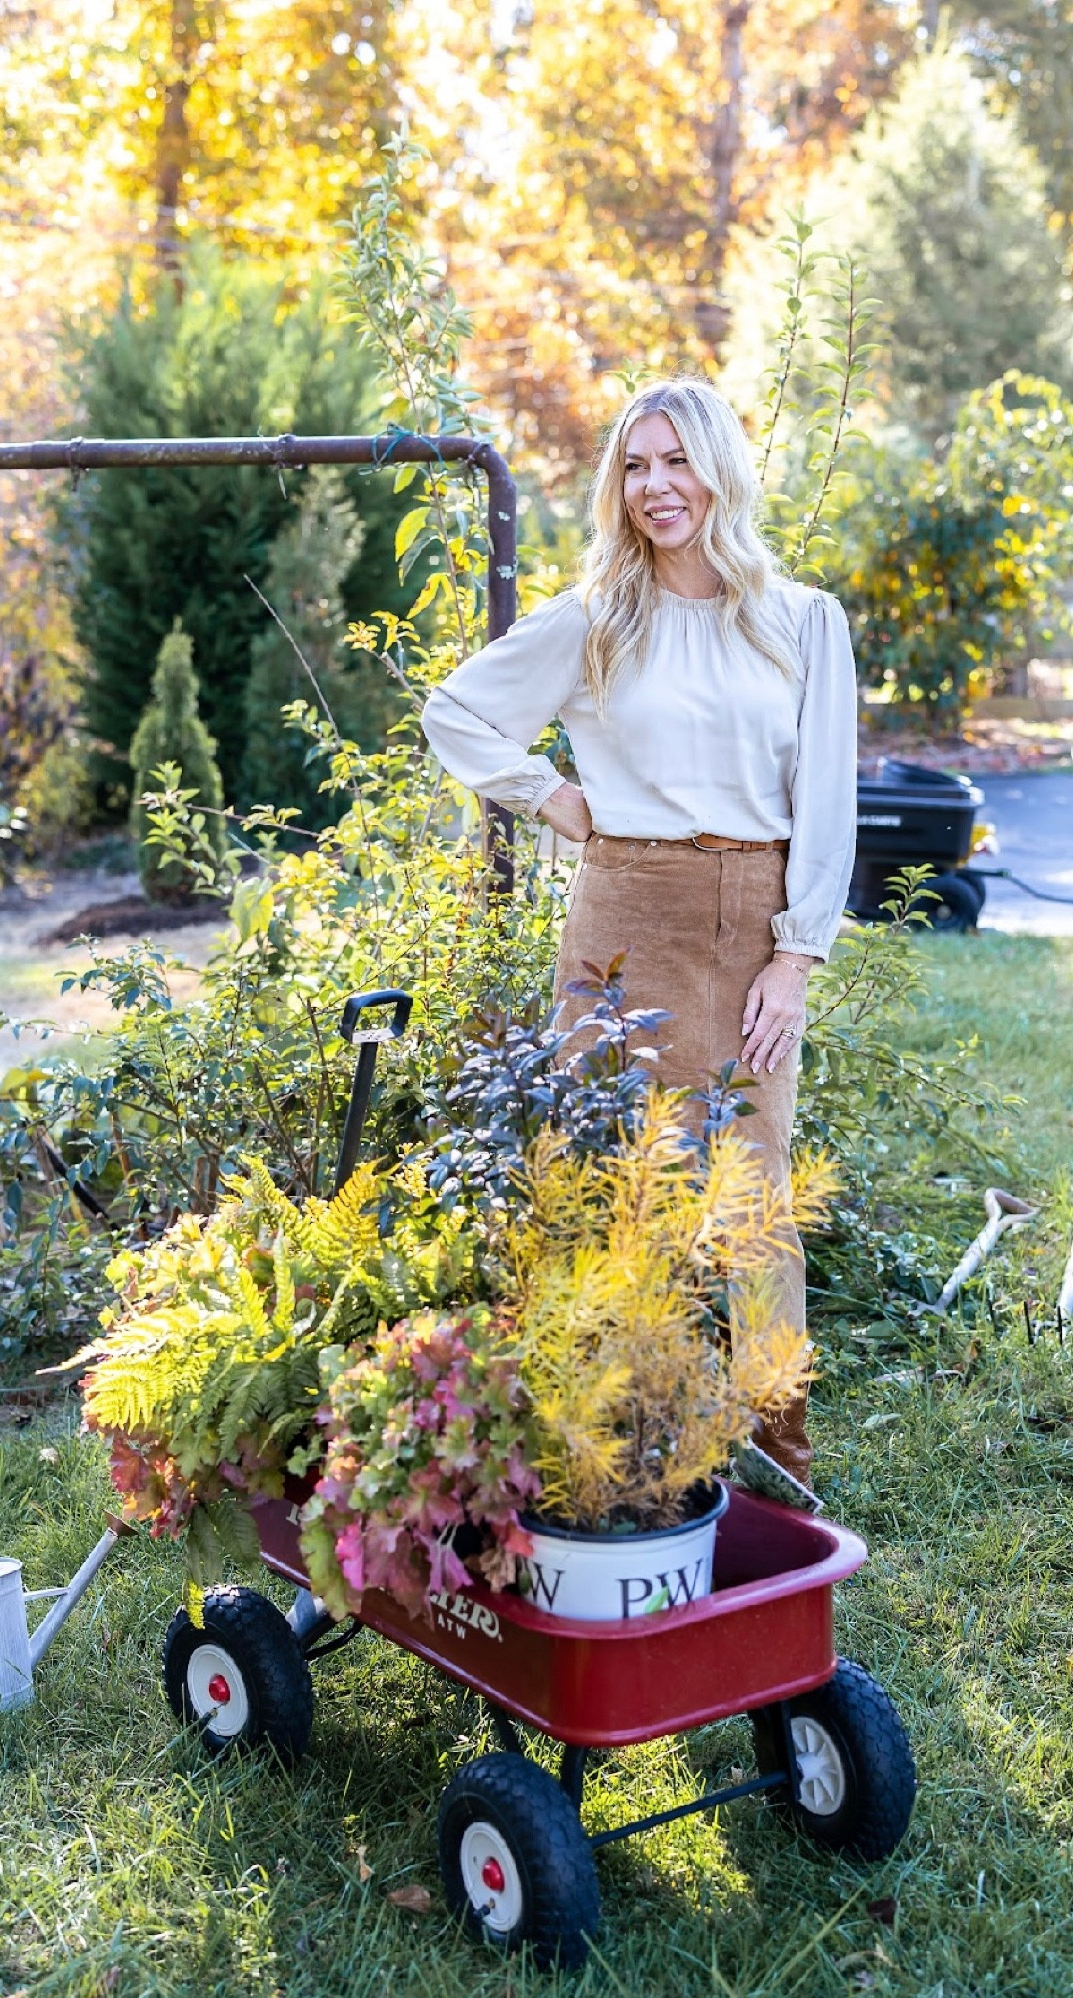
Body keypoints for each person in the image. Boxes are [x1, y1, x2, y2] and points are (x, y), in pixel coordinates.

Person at [421, 377, 857, 1486]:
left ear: (720, 469)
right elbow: (456, 711)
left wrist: (795, 958)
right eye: (634, 464)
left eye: (676, 461)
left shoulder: (800, 620)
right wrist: (548, 795)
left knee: (755, 1197)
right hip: (623, 916)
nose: (656, 486)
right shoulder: (596, 619)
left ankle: (778, 1457)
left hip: (751, 922)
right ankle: (610, 1447)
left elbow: (829, 800)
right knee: (611, 1176)